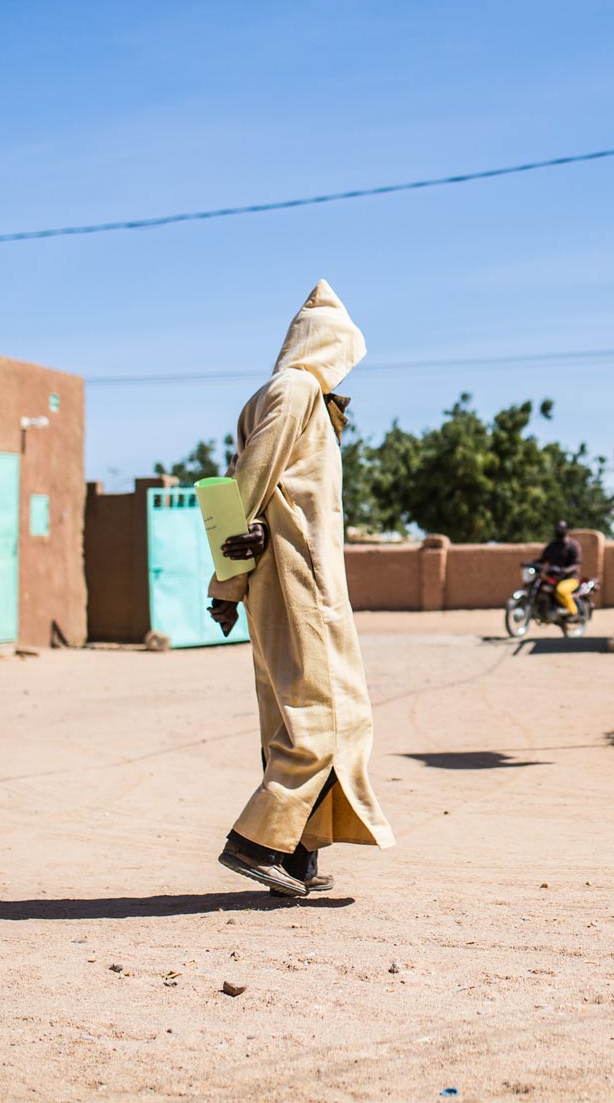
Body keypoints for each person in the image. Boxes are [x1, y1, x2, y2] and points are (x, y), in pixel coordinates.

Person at [207, 280, 393, 899]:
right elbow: (247, 480)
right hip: (297, 574)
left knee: (293, 709)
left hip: (294, 573)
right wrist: (225, 583)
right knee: (324, 711)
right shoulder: (295, 390)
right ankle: (257, 843)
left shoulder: (281, 394)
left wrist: (230, 586)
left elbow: (237, 485)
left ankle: (294, 853)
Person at [537, 519, 583, 618]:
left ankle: (574, 612)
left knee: (561, 590)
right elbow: (543, 559)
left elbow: (577, 563)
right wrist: (531, 563)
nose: (559, 531)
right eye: (557, 529)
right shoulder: (552, 546)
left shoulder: (573, 545)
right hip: (554, 578)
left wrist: (565, 570)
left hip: (571, 578)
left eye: (561, 529)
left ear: (566, 530)